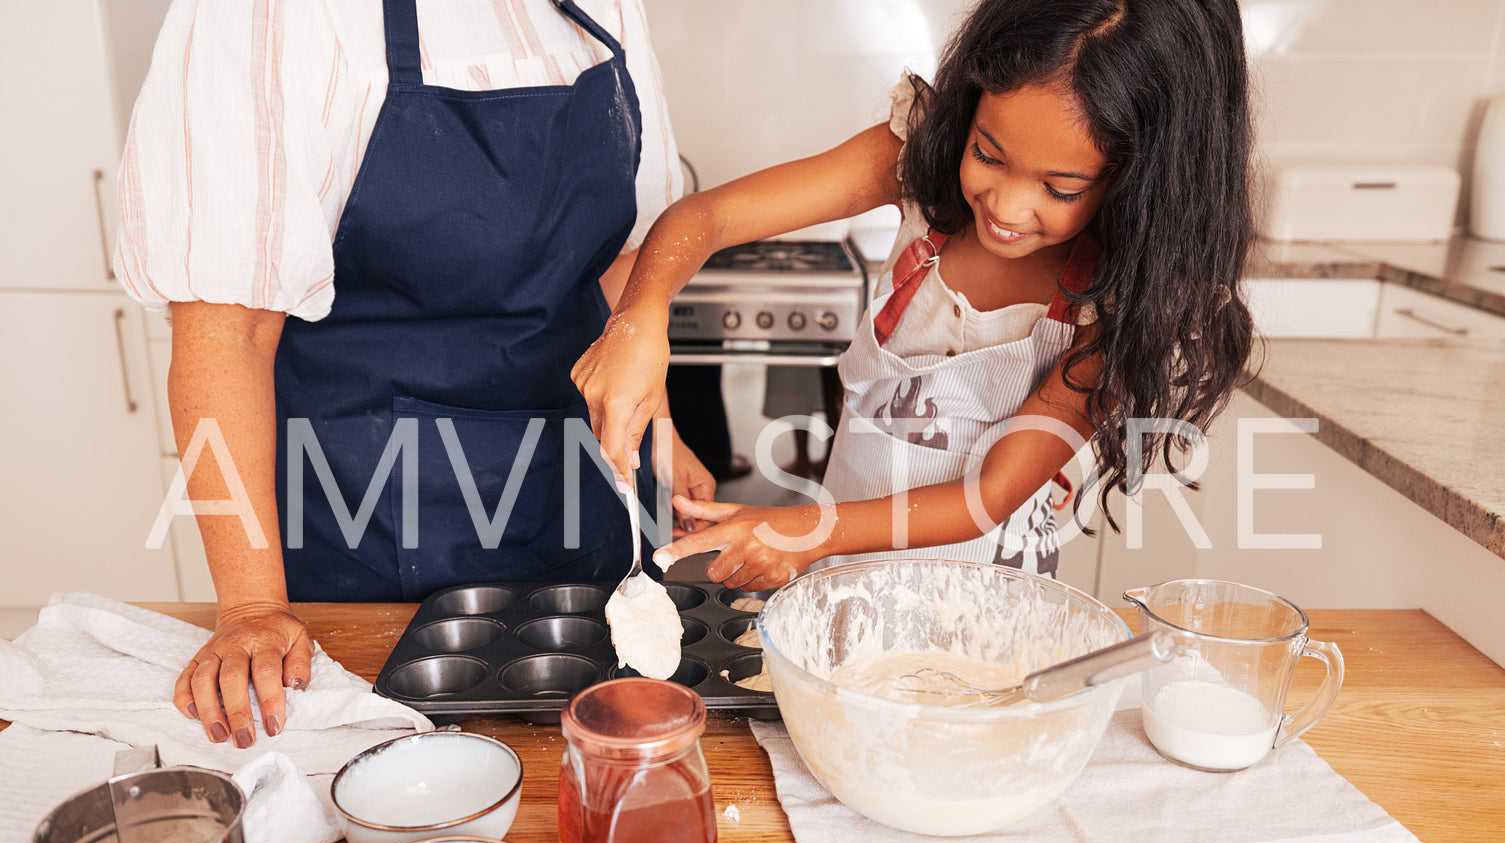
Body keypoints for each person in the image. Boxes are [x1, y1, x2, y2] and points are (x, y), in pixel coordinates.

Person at [117, 0, 712, 748]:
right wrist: (247, 608)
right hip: (378, 514)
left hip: (585, 481)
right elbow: (223, 331)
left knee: (603, 753)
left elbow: (624, 258)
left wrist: (655, 425)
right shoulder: (266, 14)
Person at [573, 0, 1255, 592]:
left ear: (1137, 182)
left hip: (983, 606)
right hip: (836, 580)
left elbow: (988, 495)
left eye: (1061, 188)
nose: (1008, 207)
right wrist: (643, 335)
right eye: (987, 154)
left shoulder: (1117, 301)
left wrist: (805, 530)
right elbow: (706, 219)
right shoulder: (918, 154)